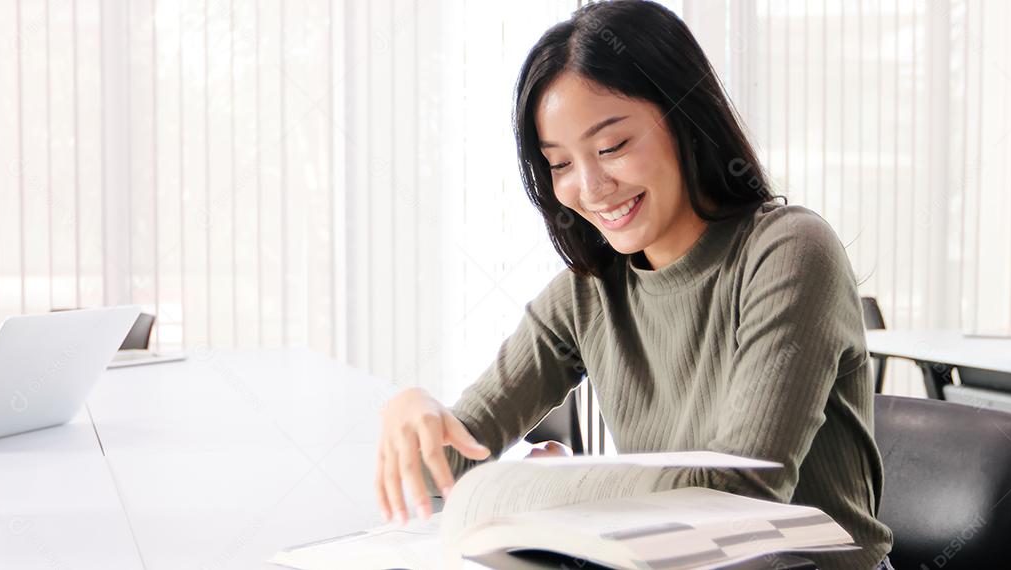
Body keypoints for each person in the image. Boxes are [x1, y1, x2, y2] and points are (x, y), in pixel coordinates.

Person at [374, 1, 893, 568]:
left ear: (684, 117)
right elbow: (448, 472)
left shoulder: (790, 250)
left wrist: (562, 493)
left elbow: (737, 496)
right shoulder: (589, 291)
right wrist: (414, 415)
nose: (590, 187)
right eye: (560, 164)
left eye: (612, 147)